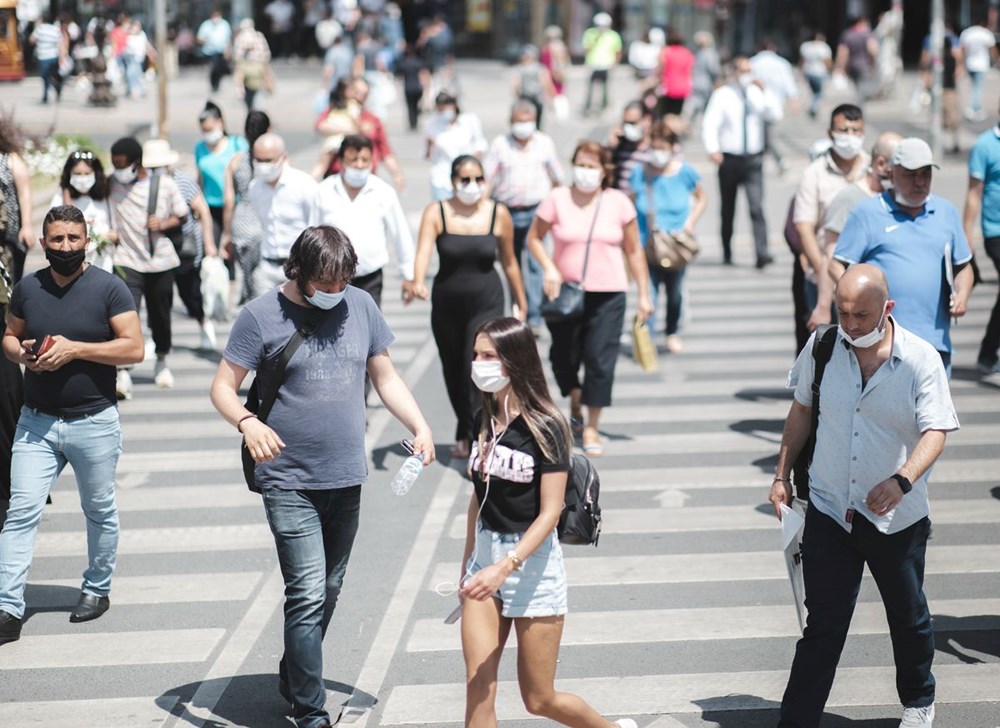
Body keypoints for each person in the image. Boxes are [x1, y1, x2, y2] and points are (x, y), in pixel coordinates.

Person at [209, 225, 435, 728]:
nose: (336, 293)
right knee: (308, 590)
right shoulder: (260, 315)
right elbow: (223, 387)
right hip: (287, 477)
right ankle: (310, 712)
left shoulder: (362, 306)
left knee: (329, 587)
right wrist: (248, 424)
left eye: (343, 282)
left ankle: (295, 672)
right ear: (300, 272)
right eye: (325, 283)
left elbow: (385, 375)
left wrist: (418, 424)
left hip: (345, 474)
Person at [770, 264, 958, 728]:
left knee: (908, 616)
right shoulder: (823, 346)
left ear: (886, 309)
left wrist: (902, 481)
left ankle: (918, 701)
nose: (850, 324)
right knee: (823, 626)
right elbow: (802, 411)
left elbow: (936, 431)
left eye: (861, 315)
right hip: (831, 509)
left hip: (896, 519)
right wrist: (781, 475)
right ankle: (797, 720)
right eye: (844, 312)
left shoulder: (920, 359)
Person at [459, 316, 637, 728]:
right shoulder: (483, 417)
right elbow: (478, 496)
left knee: (538, 699)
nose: (478, 363)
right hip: (485, 562)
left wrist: (505, 568)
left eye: (489, 356)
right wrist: (469, 563)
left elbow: (551, 511)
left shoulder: (547, 426)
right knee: (478, 687)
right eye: (476, 355)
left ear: (514, 361)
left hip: (532, 568)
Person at [0, 205, 144, 645]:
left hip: (94, 420)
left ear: (87, 240)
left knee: (98, 510)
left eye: (73, 239)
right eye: (57, 240)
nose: (65, 247)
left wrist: (76, 350)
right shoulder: (27, 288)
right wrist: (21, 353)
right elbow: (8, 336)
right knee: (20, 512)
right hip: (36, 423)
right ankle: (7, 605)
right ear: (43, 243)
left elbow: (133, 348)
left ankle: (97, 588)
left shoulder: (109, 288)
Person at [526, 141, 653, 457]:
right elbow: (533, 238)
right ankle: (576, 399)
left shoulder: (618, 202)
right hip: (565, 293)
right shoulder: (557, 199)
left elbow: (634, 250)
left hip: (609, 293)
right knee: (562, 357)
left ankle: (592, 425)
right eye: (580, 164)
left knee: (600, 358)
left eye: (592, 166)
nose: (585, 172)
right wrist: (549, 268)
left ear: (604, 170)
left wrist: (645, 294)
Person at [411, 155, 526, 458]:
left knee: (475, 367)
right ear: (452, 182)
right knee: (453, 369)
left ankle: (482, 437)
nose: (472, 186)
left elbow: (510, 261)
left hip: (487, 302)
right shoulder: (437, 212)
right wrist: (417, 280)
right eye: (465, 180)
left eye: (478, 179)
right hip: (447, 303)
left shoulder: (497, 214)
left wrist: (521, 301)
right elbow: (423, 251)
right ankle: (465, 428)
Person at [831, 138, 974, 374]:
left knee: (932, 412)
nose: (919, 182)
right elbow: (837, 266)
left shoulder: (946, 212)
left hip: (933, 342)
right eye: (910, 174)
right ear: (891, 173)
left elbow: (963, 266)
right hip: (880, 344)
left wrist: (963, 294)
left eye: (925, 174)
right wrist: (855, 304)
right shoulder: (867, 213)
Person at [108, 136, 186, 390]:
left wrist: (163, 224)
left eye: (122, 165)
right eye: (114, 165)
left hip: (160, 261)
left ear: (137, 163)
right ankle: (122, 369)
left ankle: (161, 359)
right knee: (125, 315)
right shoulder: (111, 185)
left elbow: (183, 215)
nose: (118, 170)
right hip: (126, 260)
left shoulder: (163, 185)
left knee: (160, 315)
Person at [811, 132, 902, 344]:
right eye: (900, 164)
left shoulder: (897, 201)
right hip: (863, 319)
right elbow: (831, 259)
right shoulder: (850, 199)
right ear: (881, 164)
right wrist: (824, 306)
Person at [792, 104, 869, 350]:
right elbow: (804, 227)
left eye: (856, 130)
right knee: (823, 347)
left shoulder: (873, 169)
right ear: (830, 133)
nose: (850, 136)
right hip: (823, 275)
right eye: (843, 130)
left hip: (866, 278)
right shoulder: (814, 174)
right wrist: (822, 271)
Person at [484, 99, 564, 331]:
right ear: (511, 122)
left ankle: (536, 316)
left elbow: (556, 175)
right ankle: (518, 310)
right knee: (511, 264)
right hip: (507, 211)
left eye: (527, 121)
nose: (523, 126)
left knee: (535, 265)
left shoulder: (544, 143)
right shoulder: (500, 144)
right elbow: (488, 178)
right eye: (519, 121)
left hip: (536, 211)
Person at [312, 134, 415, 311]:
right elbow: (312, 235)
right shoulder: (323, 192)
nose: (359, 165)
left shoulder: (383, 192)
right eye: (354, 160)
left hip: (370, 278)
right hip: (331, 279)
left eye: (365, 160)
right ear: (342, 161)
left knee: (368, 332)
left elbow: (400, 234)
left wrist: (409, 275)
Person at [630, 120, 707, 354]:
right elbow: (631, 204)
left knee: (675, 293)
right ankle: (648, 339)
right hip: (647, 243)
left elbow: (702, 197)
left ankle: (672, 331)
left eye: (662, 148)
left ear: (672, 147)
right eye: (654, 147)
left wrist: (690, 223)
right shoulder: (639, 173)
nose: (658, 153)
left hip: (675, 244)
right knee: (648, 293)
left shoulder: (684, 172)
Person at [702, 55, 783, 268]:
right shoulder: (723, 95)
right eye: (742, 71)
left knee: (756, 206)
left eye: (749, 70)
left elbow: (775, 114)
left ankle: (762, 252)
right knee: (727, 208)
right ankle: (727, 250)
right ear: (734, 73)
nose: (746, 75)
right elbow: (710, 123)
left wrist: (765, 91)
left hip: (753, 159)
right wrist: (713, 149)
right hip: (729, 159)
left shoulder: (758, 93)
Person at [146, 139, 218, 353]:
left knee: (190, 292)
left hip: (184, 247)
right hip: (156, 249)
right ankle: (156, 337)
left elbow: (202, 211)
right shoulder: (143, 184)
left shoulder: (182, 181)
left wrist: (209, 244)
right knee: (158, 297)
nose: (155, 171)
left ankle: (204, 323)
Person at [246, 133, 319, 295]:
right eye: (259, 160)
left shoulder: (304, 185)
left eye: (268, 160)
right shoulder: (255, 188)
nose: (263, 165)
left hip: (298, 268)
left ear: (283, 158)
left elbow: (317, 225)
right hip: (267, 267)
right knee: (263, 317)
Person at [195, 102, 249, 291]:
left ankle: (232, 294)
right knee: (211, 252)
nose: (207, 133)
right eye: (203, 130)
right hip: (210, 207)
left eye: (210, 128)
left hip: (236, 206)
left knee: (231, 252)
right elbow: (200, 178)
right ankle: (214, 293)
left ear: (221, 123)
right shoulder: (200, 149)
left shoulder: (237, 144)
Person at [320, 76, 406, 189]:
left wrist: (396, 174)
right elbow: (320, 126)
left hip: (367, 178)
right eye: (356, 92)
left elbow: (385, 151)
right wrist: (354, 130)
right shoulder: (337, 111)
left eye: (364, 95)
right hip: (337, 177)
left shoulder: (373, 119)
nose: (360, 97)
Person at [963, 110, 1000, 376]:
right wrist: (967, 236)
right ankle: (988, 353)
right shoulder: (984, 146)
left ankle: (988, 352)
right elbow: (973, 194)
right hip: (995, 232)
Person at [222, 111, 271, 306]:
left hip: (242, 224)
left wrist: (226, 233)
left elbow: (229, 201)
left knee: (249, 279)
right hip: (265, 222)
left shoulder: (235, 161)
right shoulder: (273, 160)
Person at [48, 149, 116, 274]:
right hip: (71, 269)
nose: (83, 178)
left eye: (87, 173)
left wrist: (108, 237)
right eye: (77, 174)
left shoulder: (105, 199)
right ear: (69, 174)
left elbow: (115, 231)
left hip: (102, 265)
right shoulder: (59, 199)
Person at [424, 92, 488, 201]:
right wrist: (430, 145)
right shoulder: (431, 125)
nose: (444, 111)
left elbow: (481, 143)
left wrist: (475, 157)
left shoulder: (469, 121)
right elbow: (428, 156)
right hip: (442, 177)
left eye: (447, 106)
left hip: (466, 177)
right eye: (441, 109)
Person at [751, 40, 798, 173]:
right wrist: (793, 100)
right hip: (776, 105)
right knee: (770, 137)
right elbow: (789, 83)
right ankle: (779, 161)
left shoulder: (754, 62)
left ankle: (778, 161)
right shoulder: (782, 63)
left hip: (756, 106)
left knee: (760, 137)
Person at [919, 22, 963, 154]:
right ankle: (954, 142)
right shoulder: (952, 59)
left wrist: (925, 85)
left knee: (938, 117)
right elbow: (959, 72)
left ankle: (939, 143)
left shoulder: (937, 59)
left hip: (939, 91)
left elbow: (928, 71)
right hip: (951, 90)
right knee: (953, 118)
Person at [0, 117, 34, 283]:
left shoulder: (11, 159)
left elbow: (24, 194)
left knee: (11, 281)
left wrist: (26, 226)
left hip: (10, 233)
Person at [607, 101, 651, 197]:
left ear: (646, 120)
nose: (629, 127)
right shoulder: (620, 146)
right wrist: (611, 147)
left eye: (633, 123)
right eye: (626, 123)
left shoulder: (656, 148)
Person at [581, 13, 622, 116]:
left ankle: (604, 106)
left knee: (606, 87)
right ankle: (588, 106)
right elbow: (586, 48)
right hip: (593, 64)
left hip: (607, 64)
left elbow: (618, 50)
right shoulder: (590, 33)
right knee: (591, 87)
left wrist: (615, 63)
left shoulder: (613, 35)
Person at [232, 18, 273, 112]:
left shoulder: (241, 38)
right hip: (256, 67)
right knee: (257, 98)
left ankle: (252, 111)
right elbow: (266, 54)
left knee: (250, 97)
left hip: (250, 67)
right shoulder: (258, 36)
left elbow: (237, 56)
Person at [959, 19, 997, 121]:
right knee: (978, 87)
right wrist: (997, 59)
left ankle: (976, 108)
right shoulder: (986, 33)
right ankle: (972, 109)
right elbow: (992, 49)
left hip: (970, 63)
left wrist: (961, 64)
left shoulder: (967, 33)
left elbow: (962, 49)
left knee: (973, 86)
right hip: (981, 64)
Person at [652, 28, 694, 118]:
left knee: (664, 114)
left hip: (668, 88)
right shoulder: (687, 53)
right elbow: (689, 71)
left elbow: (659, 70)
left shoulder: (666, 52)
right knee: (676, 114)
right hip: (682, 88)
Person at [835, 16, 879, 103]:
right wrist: (874, 65)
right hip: (865, 66)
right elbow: (873, 50)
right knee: (863, 90)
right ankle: (859, 108)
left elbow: (843, 52)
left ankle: (859, 105)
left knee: (858, 88)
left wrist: (840, 67)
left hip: (852, 66)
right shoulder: (867, 34)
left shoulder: (848, 34)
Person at [511, 44, 552, 128]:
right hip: (534, 97)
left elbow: (516, 83)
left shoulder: (519, 68)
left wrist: (517, 96)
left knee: (524, 120)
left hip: (528, 97)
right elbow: (545, 82)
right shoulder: (539, 68)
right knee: (535, 120)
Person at [29, 12, 66, 105]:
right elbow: (61, 45)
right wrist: (62, 57)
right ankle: (56, 87)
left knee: (45, 76)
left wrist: (36, 26)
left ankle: (46, 94)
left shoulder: (39, 29)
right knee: (52, 75)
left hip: (43, 57)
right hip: (53, 56)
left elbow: (31, 40)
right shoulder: (55, 30)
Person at [684, 31, 720, 125]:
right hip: (704, 85)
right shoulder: (710, 54)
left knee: (693, 110)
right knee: (702, 111)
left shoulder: (699, 53)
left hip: (696, 84)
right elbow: (714, 70)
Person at [196, 6, 232, 94]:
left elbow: (228, 39)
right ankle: (213, 85)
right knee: (214, 68)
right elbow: (199, 38)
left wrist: (228, 50)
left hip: (221, 51)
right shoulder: (206, 25)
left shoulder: (224, 25)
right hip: (209, 52)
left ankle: (217, 84)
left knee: (220, 69)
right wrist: (206, 40)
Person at [799, 32, 833, 120]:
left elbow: (802, 60)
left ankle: (812, 105)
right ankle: (813, 106)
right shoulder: (823, 47)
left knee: (814, 91)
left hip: (808, 71)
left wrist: (801, 71)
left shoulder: (805, 46)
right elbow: (827, 60)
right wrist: (831, 70)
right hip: (819, 72)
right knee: (819, 92)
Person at [398, 43, 430, 131]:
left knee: (410, 106)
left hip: (408, 87)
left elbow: (398, 76)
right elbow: (424, 74)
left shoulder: (403, 63)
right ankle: (415, 121)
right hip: (418, 87)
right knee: (417, 105)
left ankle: (412, 124)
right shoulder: (419, 63)